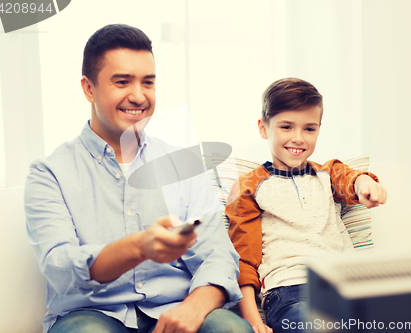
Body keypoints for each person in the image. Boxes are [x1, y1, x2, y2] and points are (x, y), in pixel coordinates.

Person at [25, 24, 253, 333]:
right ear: (88, 88)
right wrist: (138, 247)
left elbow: (218, 256)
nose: (138, 96)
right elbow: (61, 268)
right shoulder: (49, 173)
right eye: (122, 82)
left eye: (148, 82)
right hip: (92, 314)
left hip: (176, 307)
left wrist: (194, 307)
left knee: (230, 329)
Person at [226, 78, 387, 333]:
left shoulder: (328, 173)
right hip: (290, 290)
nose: (298, 138)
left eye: (309, 129)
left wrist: (366, 184)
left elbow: (351, 180)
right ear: (263, 127)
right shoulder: (248, 187)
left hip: (346, 285)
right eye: (286, 127)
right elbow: (243, 261)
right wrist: (254, 322)